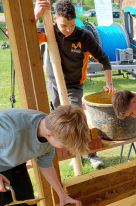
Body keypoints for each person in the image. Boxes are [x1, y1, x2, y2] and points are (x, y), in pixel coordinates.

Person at [34, 0, 117, 169]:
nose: (68, 30)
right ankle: (66, 152)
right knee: (58, 119)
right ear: (55, 19)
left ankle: (90, 154)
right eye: (64, 25)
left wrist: (109, 83)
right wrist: (36, 15)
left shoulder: (84, 36)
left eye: (71, 25)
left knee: (76, 118)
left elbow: (104, 60)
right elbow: (24, 37)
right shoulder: (49, 30)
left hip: (74, 84)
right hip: (54, 82)